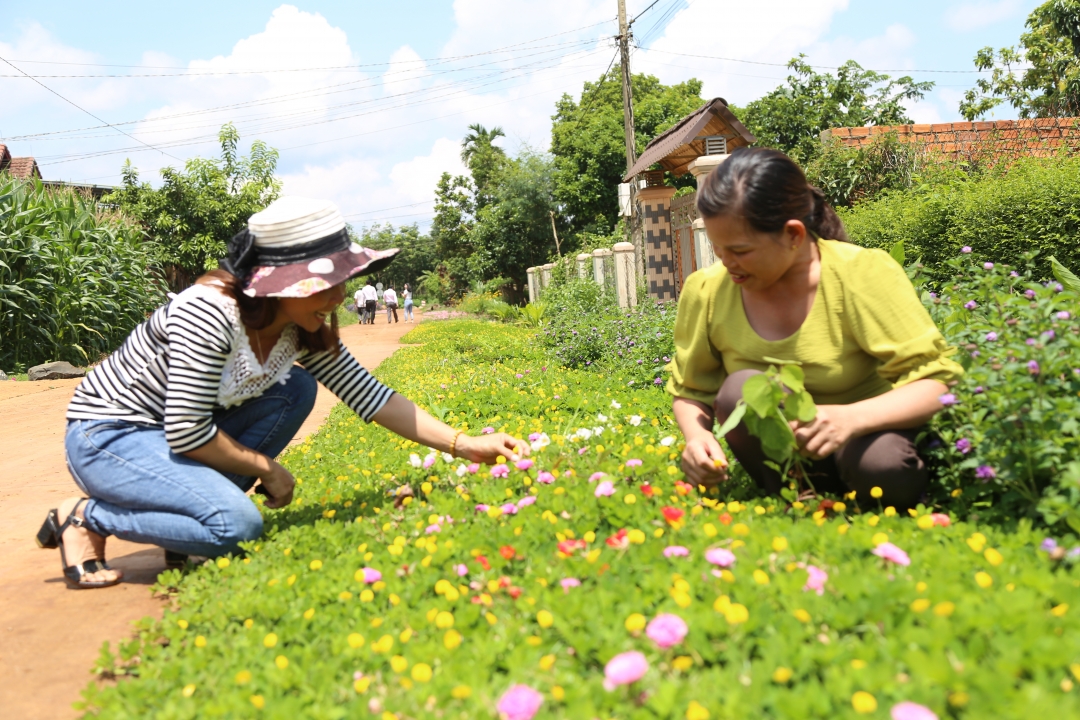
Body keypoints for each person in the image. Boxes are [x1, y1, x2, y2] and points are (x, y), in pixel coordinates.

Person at [38, 197, 528, 589]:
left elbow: (371, 395)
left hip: (172, 437)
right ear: (280, 283)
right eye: (324, 283)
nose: (338, 297)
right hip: (111, 436)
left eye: (341, 281)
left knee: (294, 388)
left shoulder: (297, 326)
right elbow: (187, 432)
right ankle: (84, 517)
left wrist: (465, 445)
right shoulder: (210, 312)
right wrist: (265, 467)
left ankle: (190, 522)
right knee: (238, 528)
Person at [667, 148, 962, 510]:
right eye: (718, 249)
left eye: (740, 250)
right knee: (738, 389)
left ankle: (867, 497)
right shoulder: (707, 290)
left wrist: (849, 418)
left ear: (793, 234)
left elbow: (937, 383)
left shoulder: (861, 274)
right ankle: (799, 497)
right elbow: (691, 390)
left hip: (867, 435)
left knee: (884, 465)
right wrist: (696, 438)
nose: (728, 263)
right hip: (785, 457)